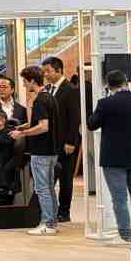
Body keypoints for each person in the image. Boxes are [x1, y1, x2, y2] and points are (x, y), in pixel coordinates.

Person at [88, 71, 131, 244]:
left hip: (113, 157)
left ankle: (125, 235)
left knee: (119, 198)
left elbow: (92, 124)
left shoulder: (105, 103)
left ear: (108, 85)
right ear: (126, 82)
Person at [15, 65, 59, 235]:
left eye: (25, 82)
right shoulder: (50, 97)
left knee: (41, 188)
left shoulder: (40, 100)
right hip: (51, 150)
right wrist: (24, 127)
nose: (24, 85)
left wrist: (22, 133)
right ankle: (52, 222)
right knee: (49, 187)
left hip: (41, 151)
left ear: (32, 81)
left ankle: (47, 223)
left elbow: (43, 126)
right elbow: (39, 122)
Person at [42, 57, 82, 224]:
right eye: (44, 71)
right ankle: (50, 209)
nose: (45, 74)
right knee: (50, 176)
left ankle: (64, 212)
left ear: (58, 70)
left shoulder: (70, 90)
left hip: (65, 142)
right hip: (51, 142)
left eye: (48, 71)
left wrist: (71, 141)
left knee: (65, 178)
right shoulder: (48, 89)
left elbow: (74, 118)